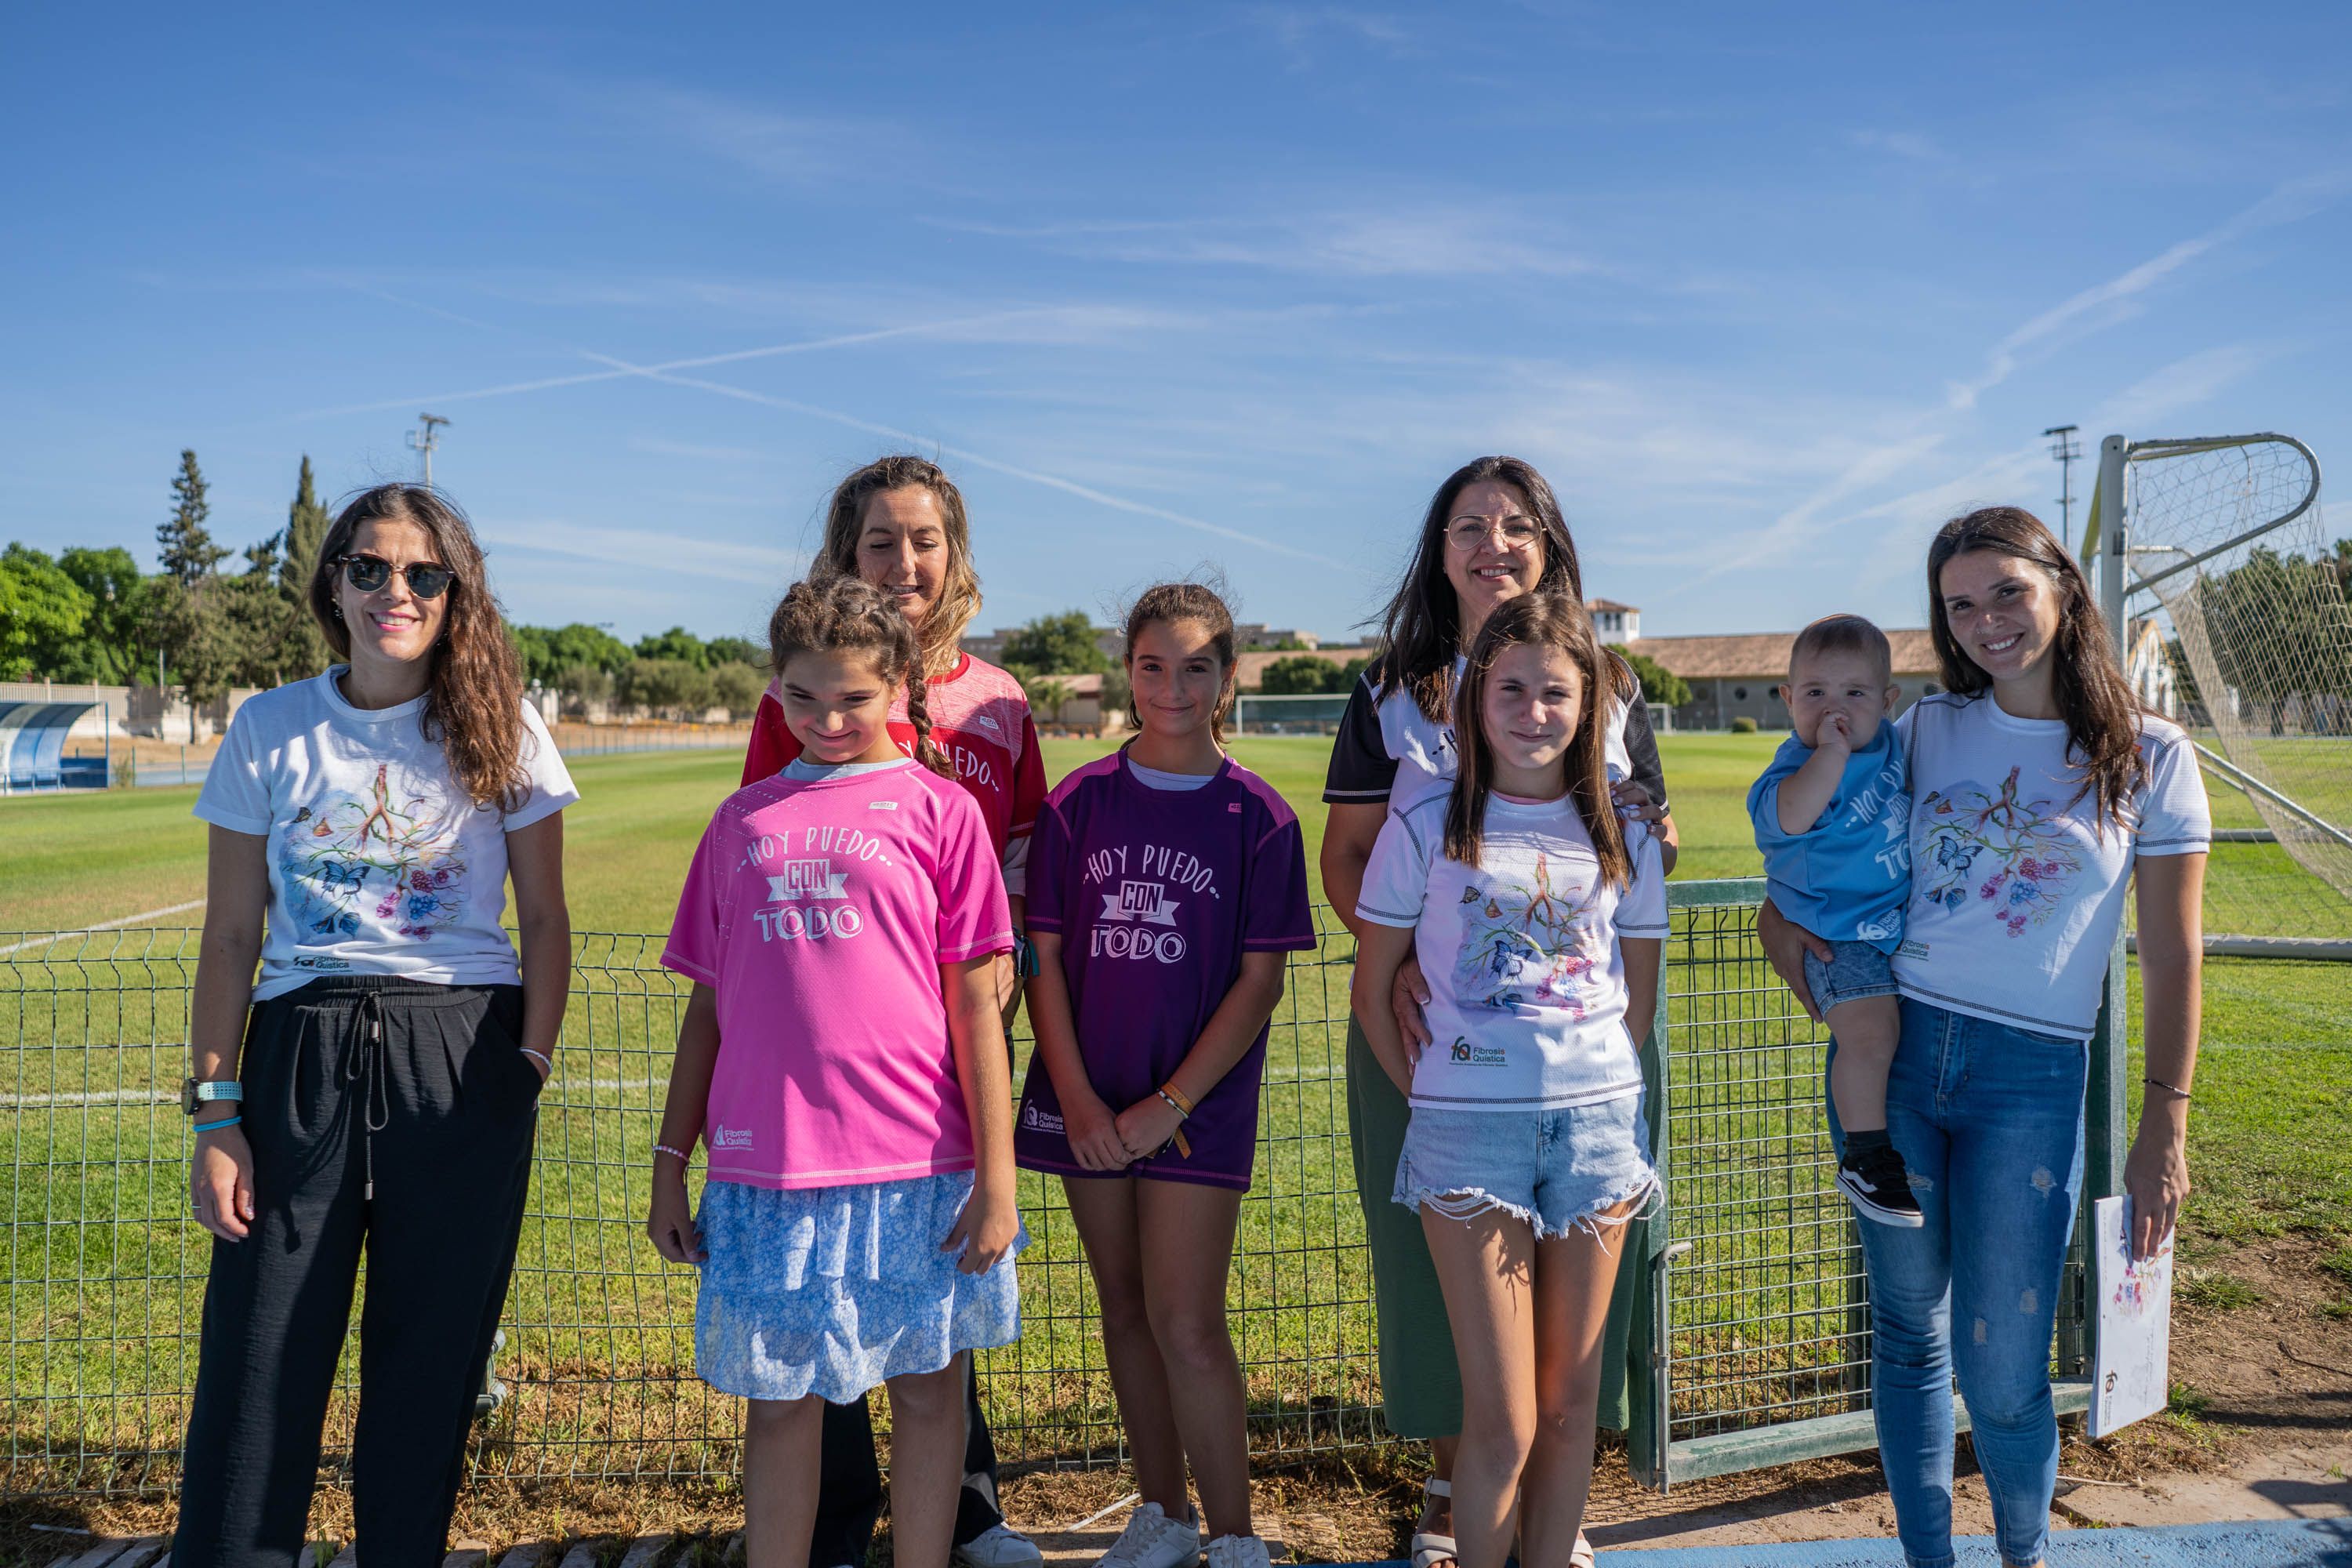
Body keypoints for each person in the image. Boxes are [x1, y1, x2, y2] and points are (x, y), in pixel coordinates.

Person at [1759, 506, 2207, 1568]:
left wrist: (2165, 1125)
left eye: (2008, 590)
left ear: (2063, 588)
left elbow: (2177, 955)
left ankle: (2022, 1553)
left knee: (2004, 1370)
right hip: (1901, 1061)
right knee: (1910, 1334)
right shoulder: (1920, 730)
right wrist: (1813, 978)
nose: (1987, 620)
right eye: (1961, 603)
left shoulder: (2152, 753)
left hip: (2032, 1079)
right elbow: (1799, 875)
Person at [176, 484, 576, 1563]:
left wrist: (525, 1066)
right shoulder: (270, 727)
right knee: (264, 1348)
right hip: (300, 1049)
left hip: (461, 1055)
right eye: (368, 568)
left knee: (428, 1355)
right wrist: (217, 1114)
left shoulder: (506, 726)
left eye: (421, 573)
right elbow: (227, 940)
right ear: (334, 584)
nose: (393, 591)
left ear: (455, 593)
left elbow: (543, 919)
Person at [1317, 456, 1674, 1568]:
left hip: (1577, 1074)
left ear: (1550, 544)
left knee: (1564, 1378)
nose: (1492, 543)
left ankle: (1541, 1529)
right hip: (1437, 1043)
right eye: (1467, 526)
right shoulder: (1392, 689)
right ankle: (1452, 1491)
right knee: (1450, 1310)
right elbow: (1351, 859)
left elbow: (1636, 864)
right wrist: (1410, 970)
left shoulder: (1608, 687)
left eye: (1516, 525)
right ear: (1439, 552)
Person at [650, 575, 1024, 1568]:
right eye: (805, 697)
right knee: (780, 1410)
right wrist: (666, 1163)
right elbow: (706, 1011)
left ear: (898, 684)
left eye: (854, 696)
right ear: (775, 688)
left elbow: (977, 1008)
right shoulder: (740, 825)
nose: (828, 718)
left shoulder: (944, 814)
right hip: (769, 1173)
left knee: (931, 1392)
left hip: (920, 1166)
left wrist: (998, 1176)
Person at [742, 454, 1046, 1568]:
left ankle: (966, 1516)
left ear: (954, 553)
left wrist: (1003, 977)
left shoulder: (1000, 698)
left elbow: (1023, 849)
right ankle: (832, 1516)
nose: (906, 560)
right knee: (822, 1285)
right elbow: (765, 834)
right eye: (882, 541)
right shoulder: (814, 689)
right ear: (848, 553)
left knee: (938, 1287)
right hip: (828, 1042)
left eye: (925, 540)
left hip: (964, 1006)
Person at [1012, 583, 1317, 1568]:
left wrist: (1167, 1104)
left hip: (1196, 1109)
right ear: (1127, 672)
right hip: (1087, 1102)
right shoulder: (1077, 803)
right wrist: (1083, 1101)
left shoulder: (1260, 817)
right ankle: (1165, 1514)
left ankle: (1234, 1534)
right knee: (1125, 1307)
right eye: (1153, 665)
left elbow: (1259, 983)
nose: (1173, 686)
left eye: (1196, 666)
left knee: (1188, 1319)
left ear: (1228, 678)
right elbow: (1045, 961)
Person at [1747, 614, 1917, 1225]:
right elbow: (1791, 818)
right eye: (1815, 693)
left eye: (1855, 693)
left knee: (1887, 1040)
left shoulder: (1897, 742)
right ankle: (1865, 1157)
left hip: (1891, 929)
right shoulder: (1793, 769)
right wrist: (1833, 753)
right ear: (1789, 700)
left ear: (1888, 702)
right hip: (1834, 936)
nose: (1834, 708)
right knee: (1870, 1037)